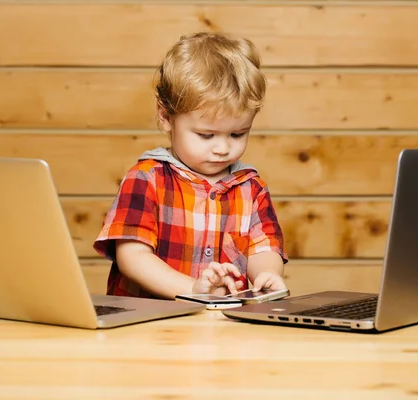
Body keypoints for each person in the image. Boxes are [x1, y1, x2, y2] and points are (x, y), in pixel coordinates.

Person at [93, 32, 288, 300]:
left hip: (225, 326)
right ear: (166, 117)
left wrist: (268, 274)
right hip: (147, 325)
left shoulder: (250, 187)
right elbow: (132, 256)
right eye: (206, 135)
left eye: (237, 134)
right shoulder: (147, 178)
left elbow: (264, 249)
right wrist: (191, 291)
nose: (222, 148)